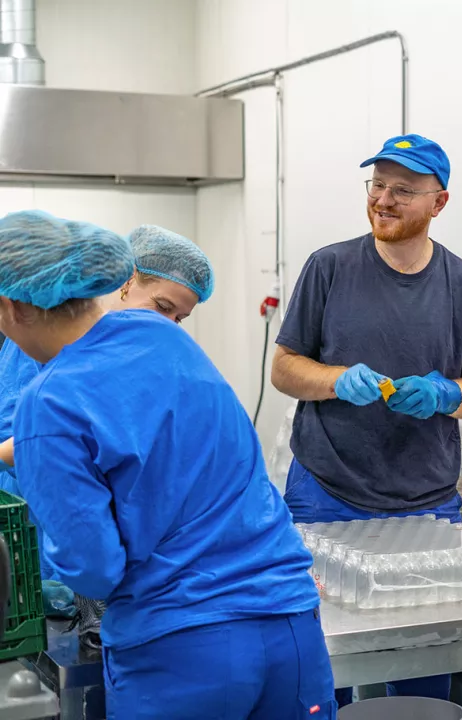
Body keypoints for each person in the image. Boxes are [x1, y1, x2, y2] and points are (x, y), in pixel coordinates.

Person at [0, 210, 335, 718]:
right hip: (290, 625)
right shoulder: (171, 341)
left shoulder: (50, 402)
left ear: (10, 307)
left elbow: (94, 569)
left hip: (185, 649)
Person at [271, 133, 462, 705]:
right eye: (377, 185)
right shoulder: (328, 268)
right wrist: (335, 380)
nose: (384, 200)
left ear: (438, 203)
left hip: (424, 500)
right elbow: (283, 368)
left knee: (425, 660)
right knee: (324, 663)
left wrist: (446, 394)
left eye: (404, 190)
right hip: (327, 491)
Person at [0, 223, 216, 591]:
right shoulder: (49, 340)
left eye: (178, 318)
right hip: (41, 521)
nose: (167, 326)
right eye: (161, 307)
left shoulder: (159, 359)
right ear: (127, 279)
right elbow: (16, 440)